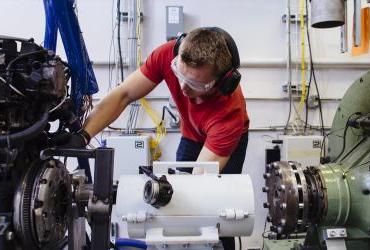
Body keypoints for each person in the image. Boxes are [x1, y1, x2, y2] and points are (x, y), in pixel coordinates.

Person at [66, 27, 249, 250]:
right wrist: (82, 136)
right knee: (177, 200)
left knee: (216, 209)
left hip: (227, 141)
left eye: (196, 85)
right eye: (179, 75)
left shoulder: (230, 114)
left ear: (222, 82)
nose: (182, 89)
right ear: (178, 55)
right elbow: (123, 94)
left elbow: (199, 187)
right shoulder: (167, 54)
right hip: (192, 134)